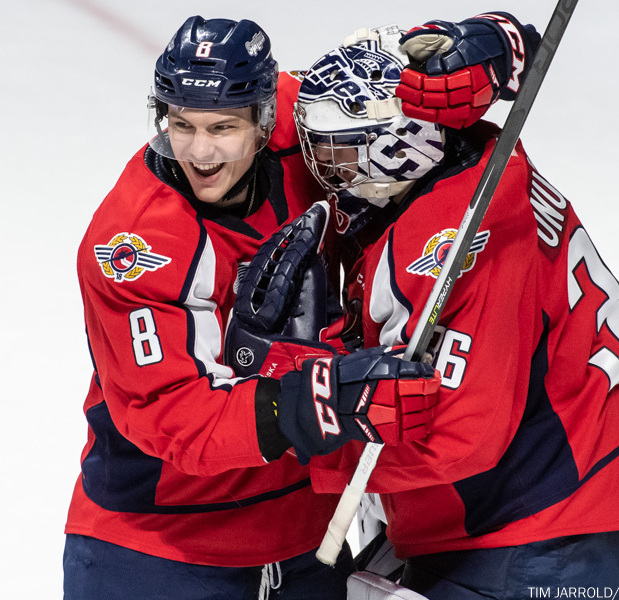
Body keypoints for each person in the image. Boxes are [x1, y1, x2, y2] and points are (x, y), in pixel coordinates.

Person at [236, 13, 619, 599]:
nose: (322, 170)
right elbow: (455, 56)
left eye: (338, 152)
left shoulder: (448, 246)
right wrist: (492, 37)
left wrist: (301, 437)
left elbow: (461, 433)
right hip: (546, 490)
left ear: (396, 146)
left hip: (541, 525)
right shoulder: (468, 155)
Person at [62, 15, 440, 600]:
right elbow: (172, 415)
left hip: (306, 539)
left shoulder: (298, 125)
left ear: (265, 121)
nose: (200, 152)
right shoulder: (135, 245)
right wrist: (318, 399)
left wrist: (459, 53)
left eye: (222, 127)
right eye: (181, 124)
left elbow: (380, 91)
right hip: (161, 552)